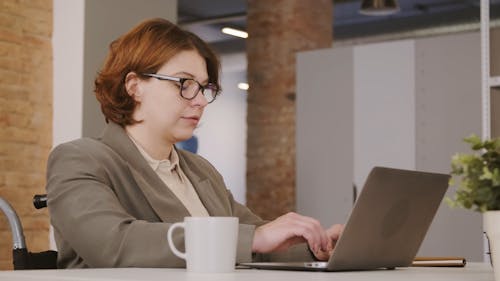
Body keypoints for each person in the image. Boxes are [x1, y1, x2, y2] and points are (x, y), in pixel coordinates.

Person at [46, 18, 343, 268]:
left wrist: (319, 246)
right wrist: (253, 238)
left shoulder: (199, 170)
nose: (200, 100)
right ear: (134, 86)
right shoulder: (80, 159)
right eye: (183, 84)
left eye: (204, 88)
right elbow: (114, 245)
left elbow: (260, 241)